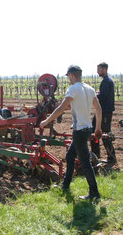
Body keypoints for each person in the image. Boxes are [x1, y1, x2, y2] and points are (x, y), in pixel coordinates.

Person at [40, 65, 102, 200]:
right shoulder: (89, 89)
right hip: (87, 129)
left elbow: (61, 108)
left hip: (79, 130)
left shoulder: (73, 89)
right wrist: (97, 128)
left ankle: (94, 193)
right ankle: (65, 186)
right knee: (69, 156)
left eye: (68, 76)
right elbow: (99, 109)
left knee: (85, 162)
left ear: (72, 75)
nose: (68, 79)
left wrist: (46, 121)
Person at [91, 62, 116, 164]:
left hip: (104, 112)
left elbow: (103, 96)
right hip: (102, 111)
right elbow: (102, 94)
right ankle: (95, 156)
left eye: (99, 69)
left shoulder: (107, 81)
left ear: (104, 69)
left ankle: (111, 158)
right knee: (94, 132)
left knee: (105, 135)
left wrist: (93, 96)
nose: (97, 71)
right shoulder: (108, 80)